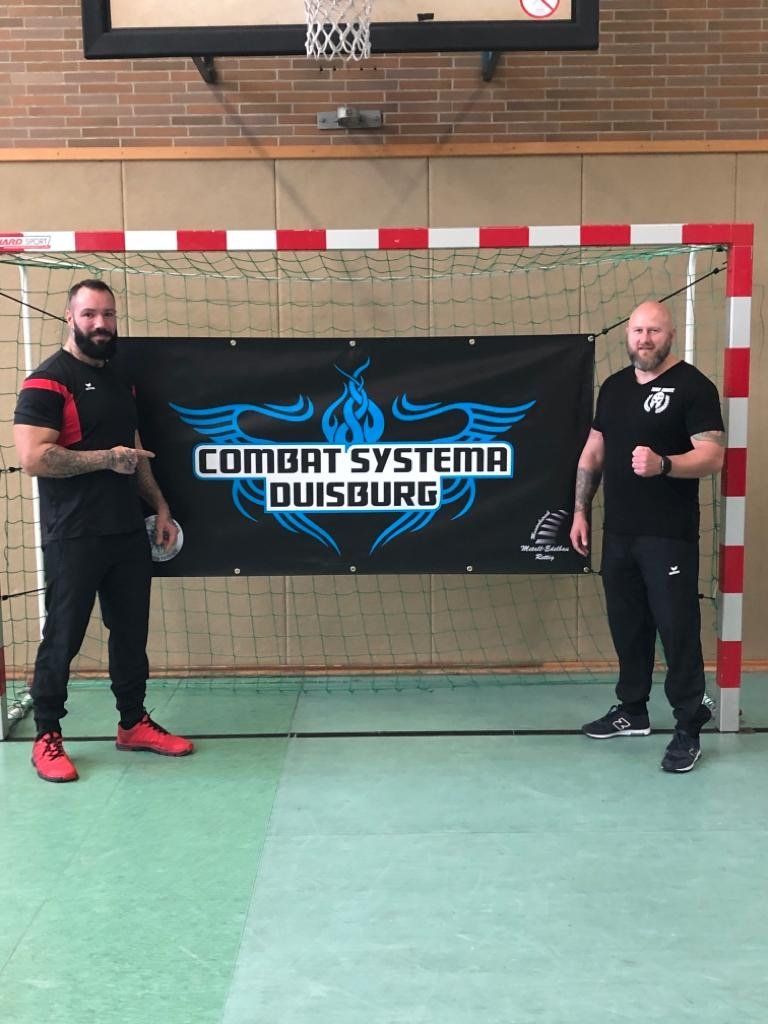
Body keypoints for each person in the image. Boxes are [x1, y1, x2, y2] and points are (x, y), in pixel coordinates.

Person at [13, 279, 194, 783]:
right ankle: (47, 735)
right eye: (90, 314)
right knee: (63, 637)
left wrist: (160, 506)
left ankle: (133, 723)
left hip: (125, 532)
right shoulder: (47, 381)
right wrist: (105, 459)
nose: (101, 324)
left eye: (108, 314)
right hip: (74, 534)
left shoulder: (119, 381)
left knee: (131, 634)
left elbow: (133, 451)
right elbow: (34, 458)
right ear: (69, 317)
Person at [569, 300, 725, 773]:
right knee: (628, 625)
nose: (644, 339)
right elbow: (594, 450)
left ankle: (688, 726)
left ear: (670, 335)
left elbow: (713, 455)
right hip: (620, 533)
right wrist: (580, 510)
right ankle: (632, 710)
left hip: (668, 536)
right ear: (628, 336)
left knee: (677, 630)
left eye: (654, 331)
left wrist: (665, 464)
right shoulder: (615, 387)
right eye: (638, 330)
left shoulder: (694, 386)